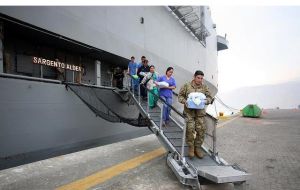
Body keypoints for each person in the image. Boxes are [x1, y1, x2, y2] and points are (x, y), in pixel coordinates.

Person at [178, 70, 212, 159]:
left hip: (200, 113)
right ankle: (191, 147)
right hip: (189, 112)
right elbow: (180, 96)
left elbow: (209, 97)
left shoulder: (205, 87)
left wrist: (206, 101)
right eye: (198, 78)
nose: (200, 80)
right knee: (190, 130)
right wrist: (185, 101)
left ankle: (197, 147)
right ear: (194, 77)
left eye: (201, 78)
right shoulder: (186, 85)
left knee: (201, 131)